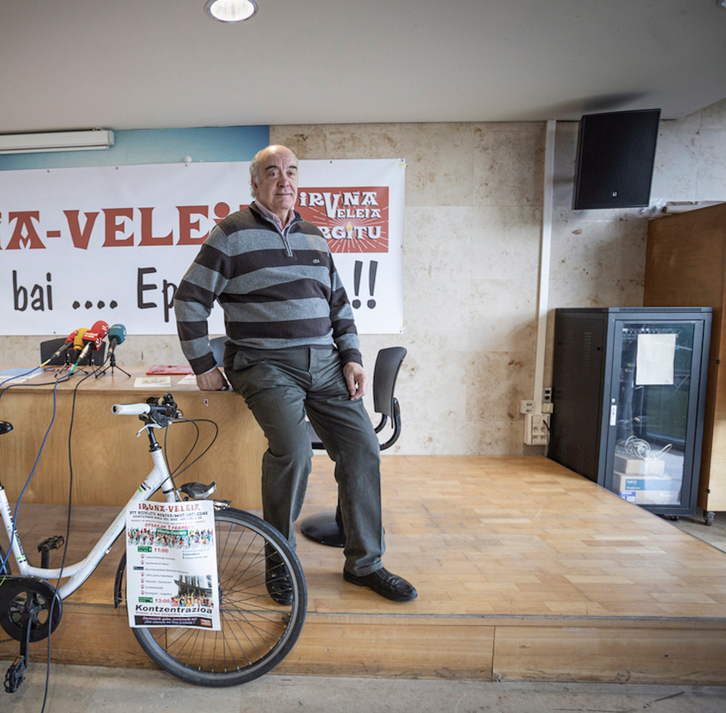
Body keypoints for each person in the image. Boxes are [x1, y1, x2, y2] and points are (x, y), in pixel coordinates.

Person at [174, 145, 416, 603]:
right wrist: (203, 363)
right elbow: (189, 299)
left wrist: (352, 357)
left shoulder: (314, 237)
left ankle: (365, 564)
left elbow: (339, 304)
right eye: (272, 172)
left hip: (325, 365)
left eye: (291, 172)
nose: (283, 180)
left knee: (363, 448)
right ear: (255, 183)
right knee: (295, 451)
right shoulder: (230, 234)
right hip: (264, 365)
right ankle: (280, 560)